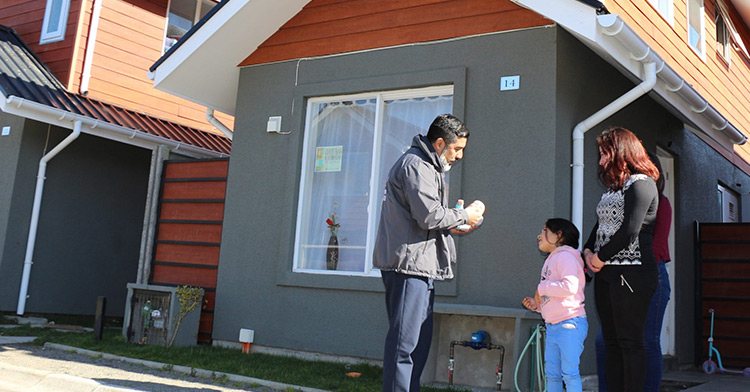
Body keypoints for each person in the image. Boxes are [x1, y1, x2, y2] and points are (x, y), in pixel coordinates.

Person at [373, 114, 485, 392]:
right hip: (407, 266)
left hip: (418, 266)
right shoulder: (416, 165)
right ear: (439, 143)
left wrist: (456, 224)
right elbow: (429, 216)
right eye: (457, 149)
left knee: (418, 344)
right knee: (405, 346)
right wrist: (464, 214)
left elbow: (426, 219)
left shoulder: (427, 165)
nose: (459, 156)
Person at [584, 126, 660, 392]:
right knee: (612, 342)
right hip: (606, 273)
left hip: (632, 274)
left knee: (630, 342)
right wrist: (587, 251)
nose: (601, 157)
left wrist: (600, 257)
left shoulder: (642, 183)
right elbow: (601, 226)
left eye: (605, 151)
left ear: (620, 151)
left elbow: (630, 230)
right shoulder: (614, 188)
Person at [595, 152, 672, 392]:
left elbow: (654, 246)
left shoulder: (660, 201)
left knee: (646, 342)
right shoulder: (619, 198)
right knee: (605, 342)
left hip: (648, 276)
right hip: (622, 276)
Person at [522, 218, 588, 392]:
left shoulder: (565, 256)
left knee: (569, 373)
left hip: (569, 324)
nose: (539, 235)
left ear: (559, 235)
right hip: (554, 326)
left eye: (545, 230)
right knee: (552, 374)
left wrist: (542, 288)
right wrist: (538, 306)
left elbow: (570, 287)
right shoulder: (552, 259)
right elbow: (554, 296)